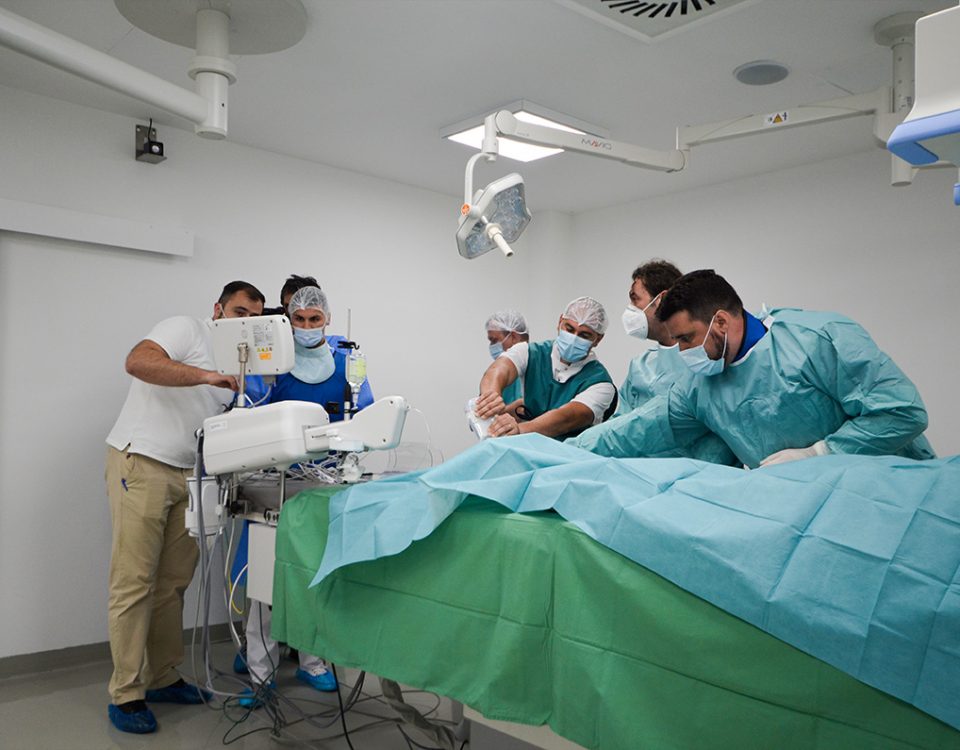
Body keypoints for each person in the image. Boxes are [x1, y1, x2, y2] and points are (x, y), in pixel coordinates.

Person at [104, 280, 265, 734]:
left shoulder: (246, 362)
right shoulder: (187, 329)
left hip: (193, 475)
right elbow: (138, 362)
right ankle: (126, 693)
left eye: (254, 318)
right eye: (239, 313)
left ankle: (162, 676)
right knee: (134, 581)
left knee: (173, 583)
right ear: (218, 309)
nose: (245, 323)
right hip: (142, 462)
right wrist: (206, 376)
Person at [573, 270, 935, 467]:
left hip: (895, 490)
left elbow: (902, 413)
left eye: (686, 338)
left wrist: (821, 453)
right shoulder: (700, 385)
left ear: (720, 322)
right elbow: (636, 429)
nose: (682, 351)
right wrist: (568, 451)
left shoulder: (817, 340)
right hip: (813, 508)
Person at [238, 284, 373, 706]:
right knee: (263, 581)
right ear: (288, 320)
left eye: (315, 319)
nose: (307, 326)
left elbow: (364, 415)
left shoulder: (347, 362)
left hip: (324, 482)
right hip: (273, 483)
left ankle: (313, 661)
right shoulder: (273, 363)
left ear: (327, 320)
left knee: (317, 576)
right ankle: (260, 675)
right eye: (299, 319)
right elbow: (251, 410)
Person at [604, 260, 737, 464]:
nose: (630, 309)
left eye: (635, 299)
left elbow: (720, 437)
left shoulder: (704, 362)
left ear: (661, 299)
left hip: (693, 475)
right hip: (634, 471)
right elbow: (618, 427)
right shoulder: (640, 365)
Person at [475, 296, 616, 440]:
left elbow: (566, 418)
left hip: (567, 452)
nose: (573, 338)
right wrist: (490, 398)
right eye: (569, 329)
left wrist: (519, 429)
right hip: (525, 446)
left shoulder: (601, 384)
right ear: (560, 322)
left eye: (584, 335)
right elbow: (499, 370)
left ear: (598, 339)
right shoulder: (529, 353)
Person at [485, 310, 529, 408]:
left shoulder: (539, 366)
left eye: (494, 340)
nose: (492, 346)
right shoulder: (498, 374)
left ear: (513, 337)